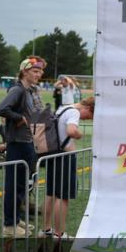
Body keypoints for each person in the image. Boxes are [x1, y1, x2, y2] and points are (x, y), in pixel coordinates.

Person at [0, 56, 46, 237]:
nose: (39, 74)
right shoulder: (17, 90)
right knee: (14, 185)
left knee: (22, 185)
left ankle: (16, 219)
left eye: (40, 71)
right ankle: (9, 225)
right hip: (18, 143)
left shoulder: (29, 90)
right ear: (24, 71)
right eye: (35, 71)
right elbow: (1, 109)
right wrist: (19, 118)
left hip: (27, 141)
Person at [41, 96, 94, 239]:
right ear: (88, 108)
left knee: (50, 194)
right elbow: (71, 131)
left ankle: (45, 229)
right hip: (64, 156)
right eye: (89, 116)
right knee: (63, 197)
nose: (87, 120)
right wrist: (79, 134)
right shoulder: (74, 112)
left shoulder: (63, 107)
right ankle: (59, 233)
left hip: (52, 154)